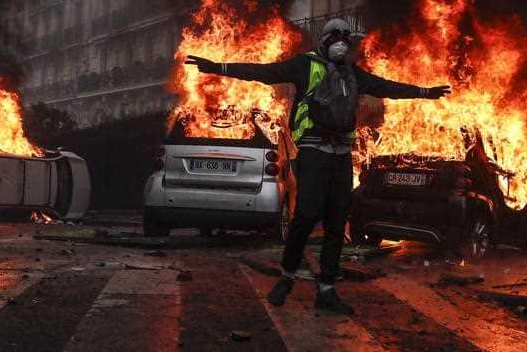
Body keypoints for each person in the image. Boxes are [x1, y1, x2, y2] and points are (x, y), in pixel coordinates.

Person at [186, 18, 450, 315]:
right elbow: (263, 73)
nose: (340, 43)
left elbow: (387, 87)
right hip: (313, 149)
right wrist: (218, 68)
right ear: (323, 40)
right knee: (307, 214)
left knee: (337, 221)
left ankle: (326, 289)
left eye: (345, 39)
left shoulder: (352, 73)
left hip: (340, 153)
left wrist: (425, 92)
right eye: (335, 37)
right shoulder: (304, 65)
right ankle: (287, 276)